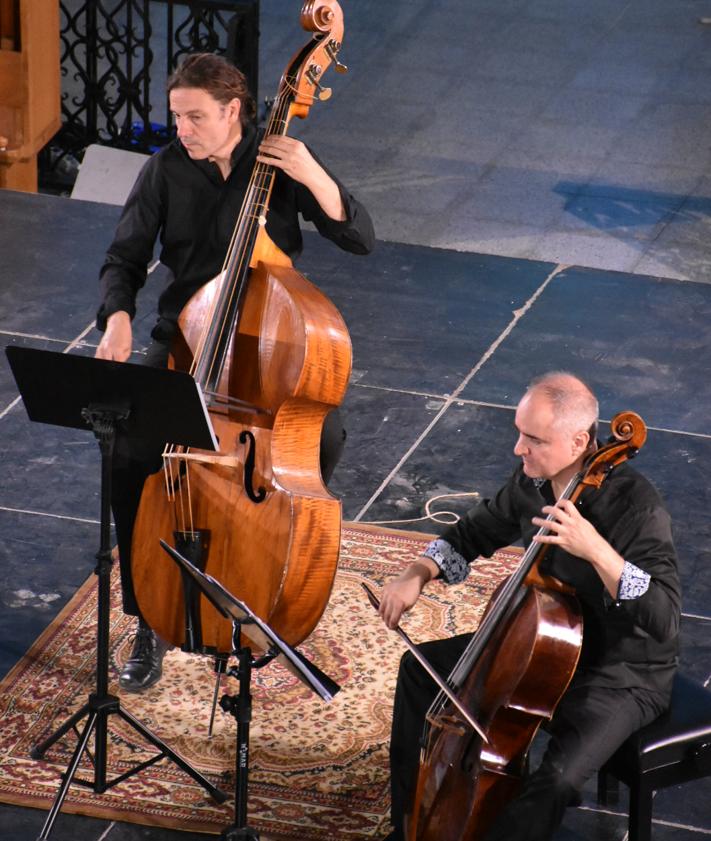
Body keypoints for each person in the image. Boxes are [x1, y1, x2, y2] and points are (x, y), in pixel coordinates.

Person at [94, 52, 374, 693]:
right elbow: (124, 257)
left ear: (233, 111)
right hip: (187, 344)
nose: (182, 129)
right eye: (177, 116)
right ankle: (148, 619)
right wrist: (116, 317)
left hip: (267, 352)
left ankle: (264, 578)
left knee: (321, 441)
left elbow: (361, 237)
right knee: (131, 454)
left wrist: (316, 178)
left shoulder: (281, 161)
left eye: (195, 117)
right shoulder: (164, 170)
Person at [378, 371, 680, 841]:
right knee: (421, 670)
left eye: (534, 440)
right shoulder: (531, 483)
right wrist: (416, 573)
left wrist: (597, 550)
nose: (519, 449)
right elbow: (471, 533)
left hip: (621, 671)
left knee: (555, 781)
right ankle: (408, 827)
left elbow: (664, 619)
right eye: (520, 434)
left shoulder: (637, 506)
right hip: (541, 648)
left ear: (580, 440)